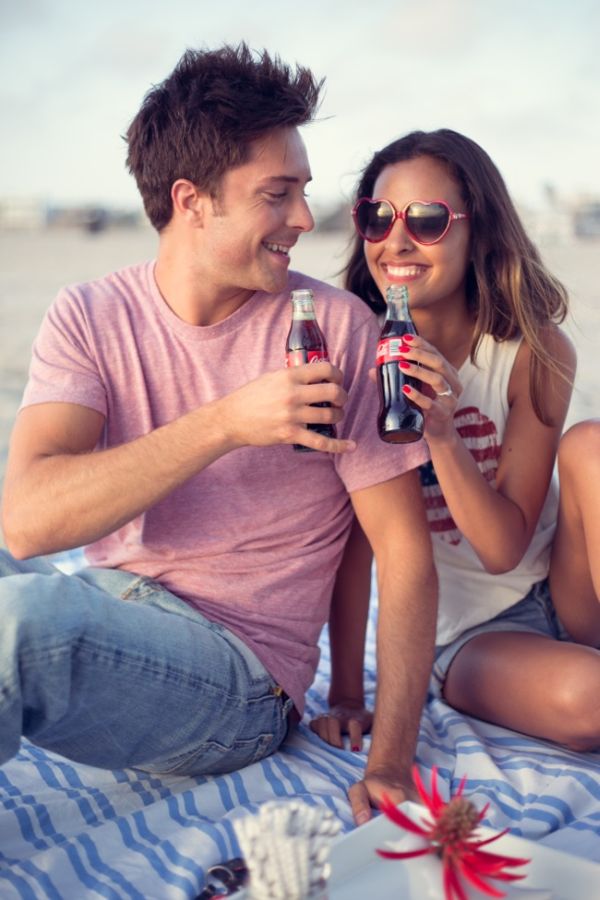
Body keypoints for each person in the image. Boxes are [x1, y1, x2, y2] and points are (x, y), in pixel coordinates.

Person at [0, 45, 437, 826]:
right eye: (278, 194)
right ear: (192, 201)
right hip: (115, 606)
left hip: (241, 681)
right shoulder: (90, 315)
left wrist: (392, 762)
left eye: (303, 192)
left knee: (25, 628)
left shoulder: (337, 328)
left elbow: (404, 553)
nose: (305, 219)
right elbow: (28, 520)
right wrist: (226, 424)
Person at [312, 128, 600, 754]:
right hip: (471, 633)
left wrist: (442, 431)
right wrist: (345, 695)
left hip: (567, 586)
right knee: (591, 703)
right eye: (377, 218)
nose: (397, 240)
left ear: (478, 232)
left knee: (591, 445)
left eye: (427, 220)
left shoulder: (534, 349)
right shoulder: (358, 353)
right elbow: (357, 546)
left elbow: (507, 545)